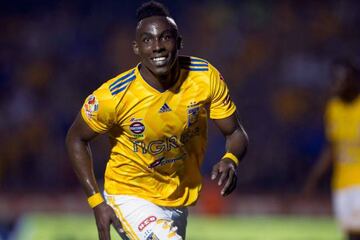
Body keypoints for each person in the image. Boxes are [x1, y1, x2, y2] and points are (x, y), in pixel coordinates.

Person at [65, 1, 248, 239]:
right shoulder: (113, 96)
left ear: (179, 42)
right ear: (136, 48)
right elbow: (75, 138)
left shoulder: (205, 78)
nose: (157, 47)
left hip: (177, 201)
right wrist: (97, 201)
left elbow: (235, 132)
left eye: (165, 38)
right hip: (129, 197)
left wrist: (231, 158)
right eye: (147, 40)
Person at [304, 58, 360, 240]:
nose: (335, 84)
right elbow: (332, 147)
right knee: (350, 233)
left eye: (340, 79)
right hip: (341, 184)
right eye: (333, 79)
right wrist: (315, 177)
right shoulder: (333, 108)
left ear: (352, 81)